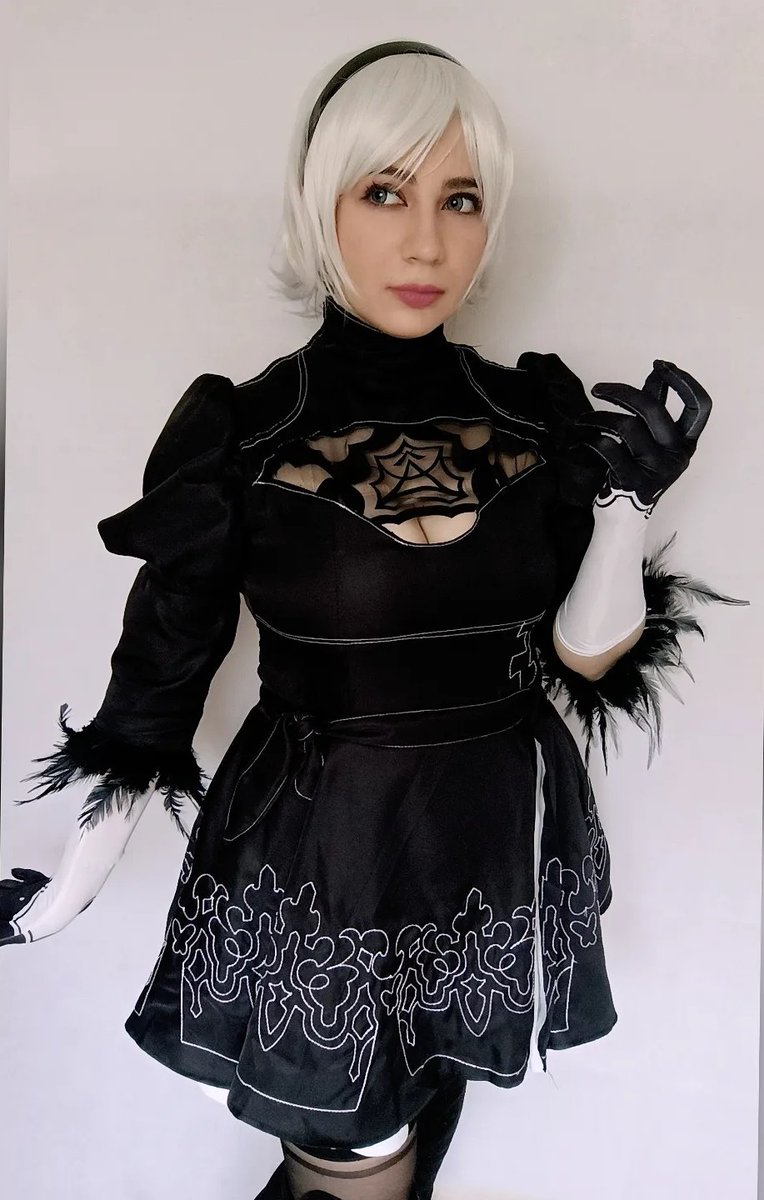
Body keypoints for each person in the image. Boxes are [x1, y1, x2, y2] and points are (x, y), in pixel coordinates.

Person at [0, 39, 744, 1200]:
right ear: (320, 203)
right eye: (384, 194)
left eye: (460, 200)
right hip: (325, 859)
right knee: (354, 1156)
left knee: (415, 1119)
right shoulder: (243, 434)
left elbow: (585, 659)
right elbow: (156, 687)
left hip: (490, 848)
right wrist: (70, 883)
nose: (426, 243)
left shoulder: (532, 414)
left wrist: (623, 509)